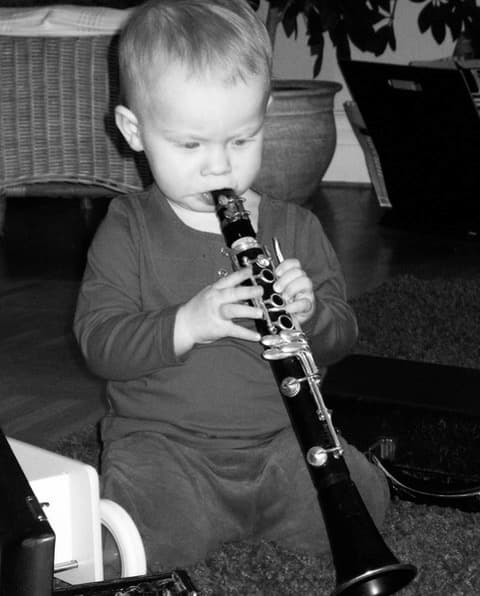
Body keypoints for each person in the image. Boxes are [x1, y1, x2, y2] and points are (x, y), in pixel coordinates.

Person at [74, 0, 390, 572]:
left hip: (282, 440)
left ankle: (263, 509)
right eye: (191, 146)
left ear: (264, 117)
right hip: (165, 445)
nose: (219, 168)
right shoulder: (128, 228)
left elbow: (341, 336)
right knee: (149, 527)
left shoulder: (296, 227)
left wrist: (313, 317)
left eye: (241, 141)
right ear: (134, 132)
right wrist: (186, 323)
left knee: (364, 496)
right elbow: (100, 344)